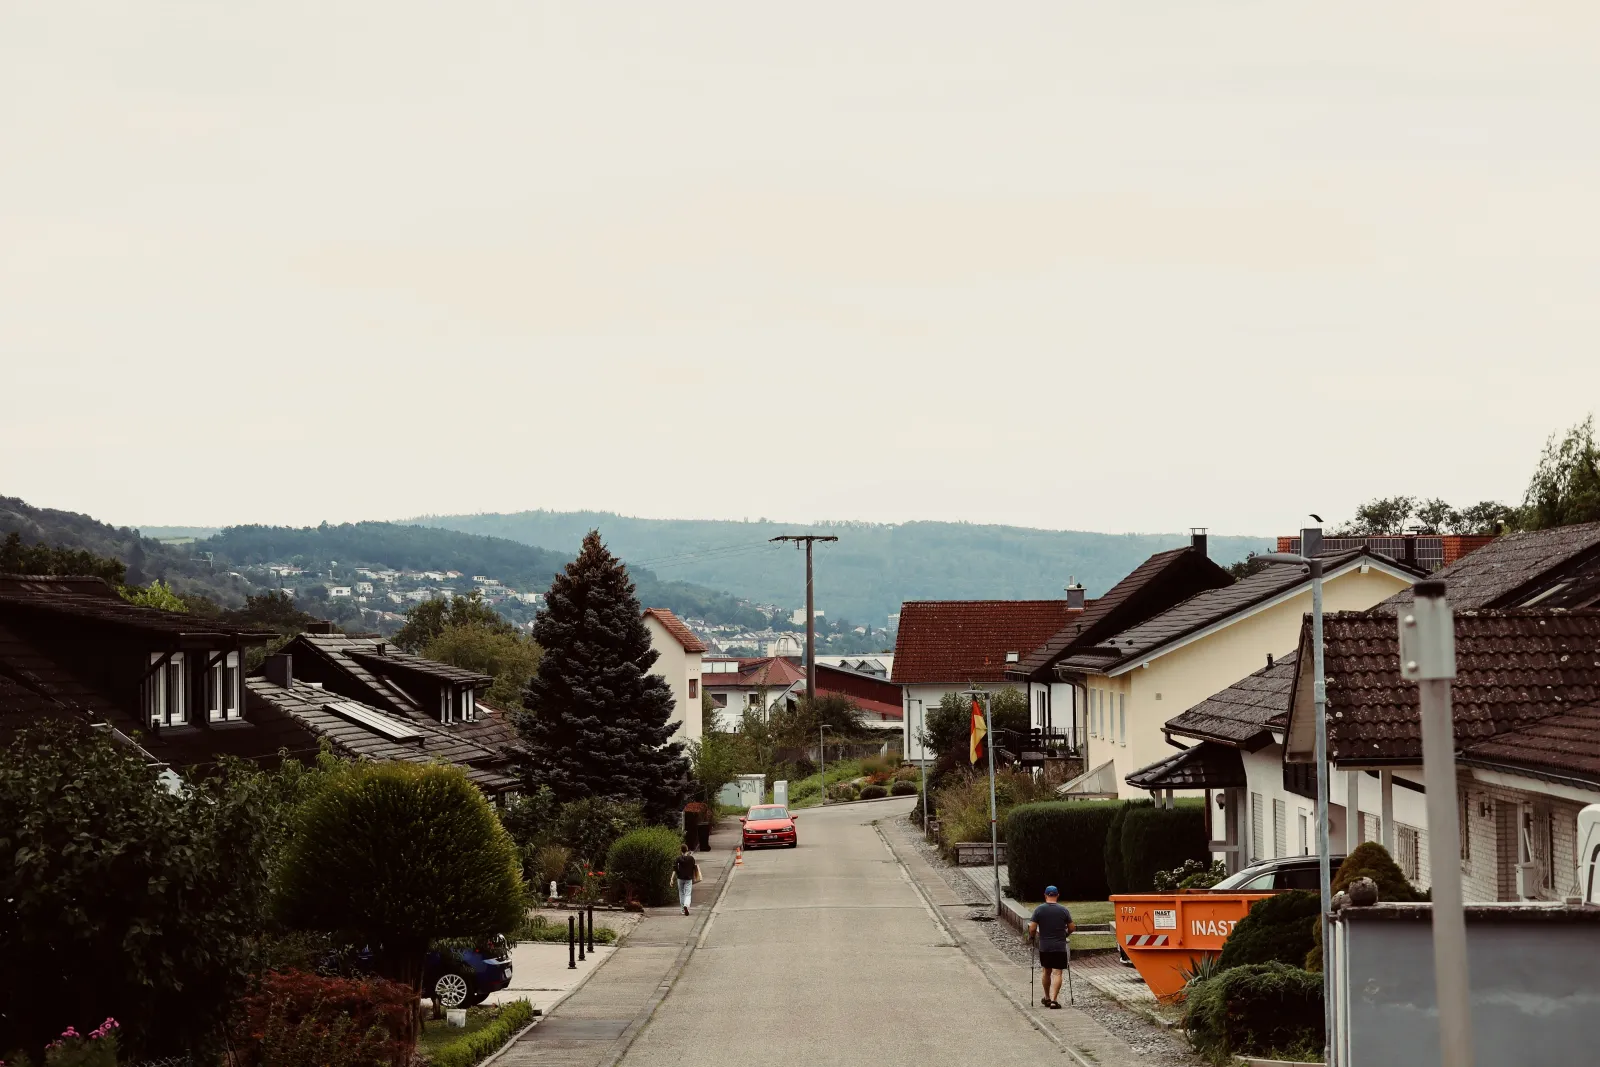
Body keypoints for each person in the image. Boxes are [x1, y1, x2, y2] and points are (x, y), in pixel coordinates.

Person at [1026, 885, 1076, 1008]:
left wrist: (1031, 937)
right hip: (1059, 946)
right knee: (1058, 972)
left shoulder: (1039, 910)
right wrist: (1065, 934)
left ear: (1045, 895)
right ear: (1057, 895)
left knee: (1046, 971)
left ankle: (1047, 997)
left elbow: (1032, 928)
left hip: (1045, 946)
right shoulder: (1063, 910)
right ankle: (1054, 1000)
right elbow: (1072, 927)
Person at [674, 842, 700, 915]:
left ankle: (682, 909)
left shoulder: (678, 858)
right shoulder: (691, 858)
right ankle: (686, 905)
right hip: (688, 878)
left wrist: (671, 878)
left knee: (681, 893)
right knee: (688, 894)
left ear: (680, 850)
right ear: (687, 849)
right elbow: (693, 867)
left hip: (680, 878)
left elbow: (675, 868)